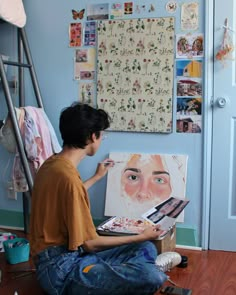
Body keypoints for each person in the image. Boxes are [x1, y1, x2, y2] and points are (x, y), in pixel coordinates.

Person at [30, 102, 168, 295]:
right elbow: (90, 244)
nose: (102, 139)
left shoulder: (52, 164)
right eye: (101, 135)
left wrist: (96, 177)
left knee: (145, 247)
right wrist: (141, 235)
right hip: (60, 271)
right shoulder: (68, 178)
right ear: (92, 136)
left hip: (67, 257)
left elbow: (69, 197)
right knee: (152, 277)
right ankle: (143, 270)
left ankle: (125, 271)